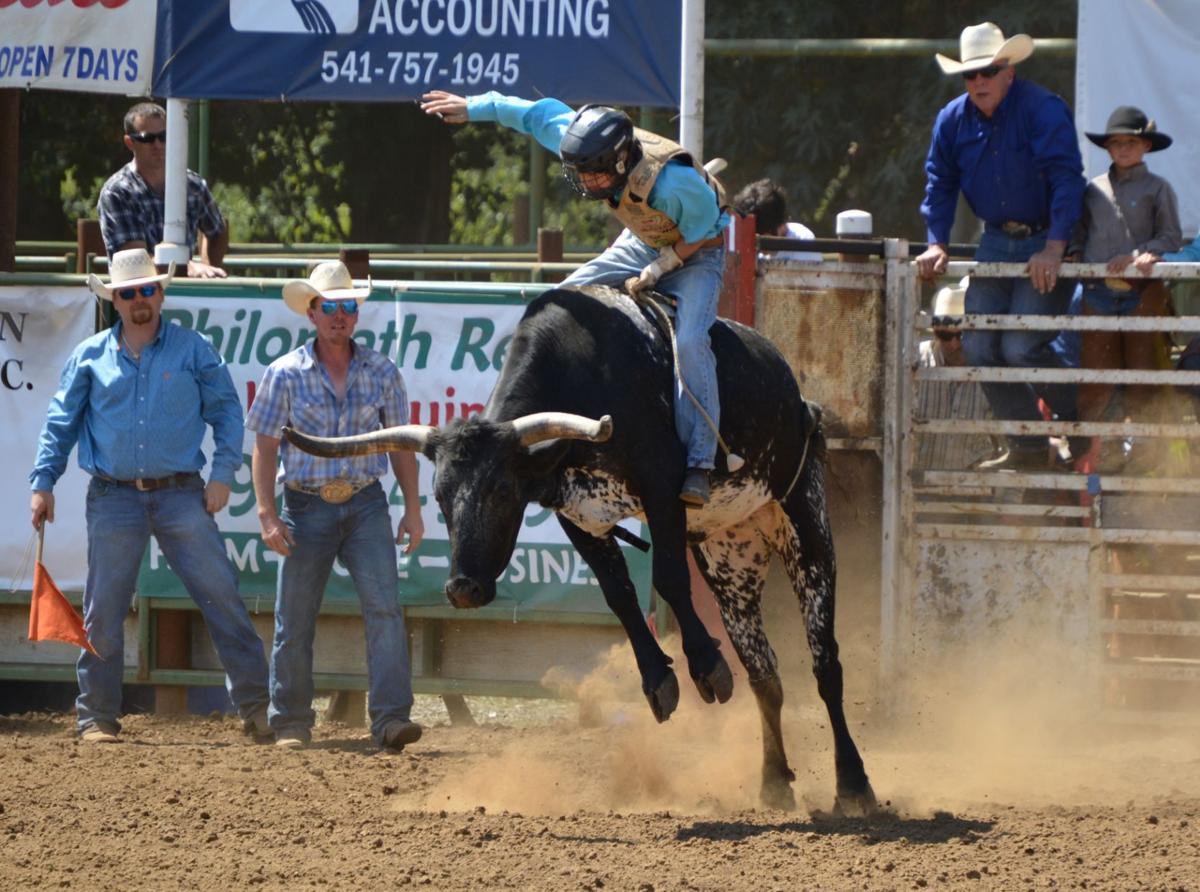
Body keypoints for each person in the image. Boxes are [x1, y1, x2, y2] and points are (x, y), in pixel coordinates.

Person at [420, 90, 729, 506]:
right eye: (579, 173)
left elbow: (707, 233)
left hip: (697, 253)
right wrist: (472, 108)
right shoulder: (584, 141)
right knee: (557, 300)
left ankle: (700, 462)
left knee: (691, 341)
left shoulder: (675, 184)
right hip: (642, 238)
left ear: (620, 162)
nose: (585, 183)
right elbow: (530, 114)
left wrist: (662, 267)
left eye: (594, 176)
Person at [28, 248, 270, 743]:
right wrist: (42, 482)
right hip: (113, 496)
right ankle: (96, 715)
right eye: (128, 292)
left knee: (221, 594)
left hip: (182, 492)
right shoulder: (90, 356)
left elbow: (226, 412)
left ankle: (257, 706)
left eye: (147, 289)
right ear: (114, 299)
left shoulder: (193, 349)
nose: (139, 300)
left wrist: (223, 473)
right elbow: (61, 422)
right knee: (103, 608)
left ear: (160, 292)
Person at [246, 261, 424, 751]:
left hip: (366, 501)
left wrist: (412, 506)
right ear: (313, 312)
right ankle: (290, 721)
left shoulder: (383, 371)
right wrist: (266, 513)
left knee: (385, 609)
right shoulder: (283, 374)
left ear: (356, 314)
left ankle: (390, 719)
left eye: (349, 306)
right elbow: (263, 447)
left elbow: (401, 446)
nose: (340, 316)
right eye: (331, 307)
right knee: (294, 615)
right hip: (305, 505)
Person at [916, 22, 1086, 470]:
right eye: (970, 75)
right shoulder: (952, 120)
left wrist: (1054, 246)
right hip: (995, 239)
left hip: (1045, 235)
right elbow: (940, 182)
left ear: (1008, 70)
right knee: (978, 349)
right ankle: (1030, 445)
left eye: (987, 72)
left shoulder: (1043, 109)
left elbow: (1067, 178)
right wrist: (937, 243)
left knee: (1019, 347)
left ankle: (1077, 415)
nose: (978, 82)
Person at [1073, 106, 1182, 472]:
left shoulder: (1158, 189)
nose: (1122, 149)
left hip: (1141, 290)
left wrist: (1143, 255)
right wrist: (1074, 255)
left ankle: (1145, 450)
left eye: (1130, 142)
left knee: (1141, 368)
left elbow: (1170, 236)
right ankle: (1109, 446)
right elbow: (1079, 233)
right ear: (1107, 148)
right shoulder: (1093, 191)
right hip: (1098, 289)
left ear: (1145, 146)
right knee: (1099, 371)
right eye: (1116, 143)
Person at [97, 102, 228, 279]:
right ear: (130, 142)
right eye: (147, 138)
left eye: (164, 136)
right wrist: (187, 267)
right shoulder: (117, 192)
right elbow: (136, 261)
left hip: (186, 297)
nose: (158, 144)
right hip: (135, 297)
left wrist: (207, 269)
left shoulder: (194, 185)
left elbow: (218, 231)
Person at [916, 278, 1001, 470]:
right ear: (936, 333)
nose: (954, 345)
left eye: (962, 335)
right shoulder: (914, 362)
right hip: (917, 487)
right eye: (946, 336)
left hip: (975, 493)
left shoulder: (993, 370)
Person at [731, 178, 821, 262]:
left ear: (778, 224)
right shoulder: (751, 248)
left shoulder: (803, 243)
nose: (756, 243)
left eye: (761, 235)